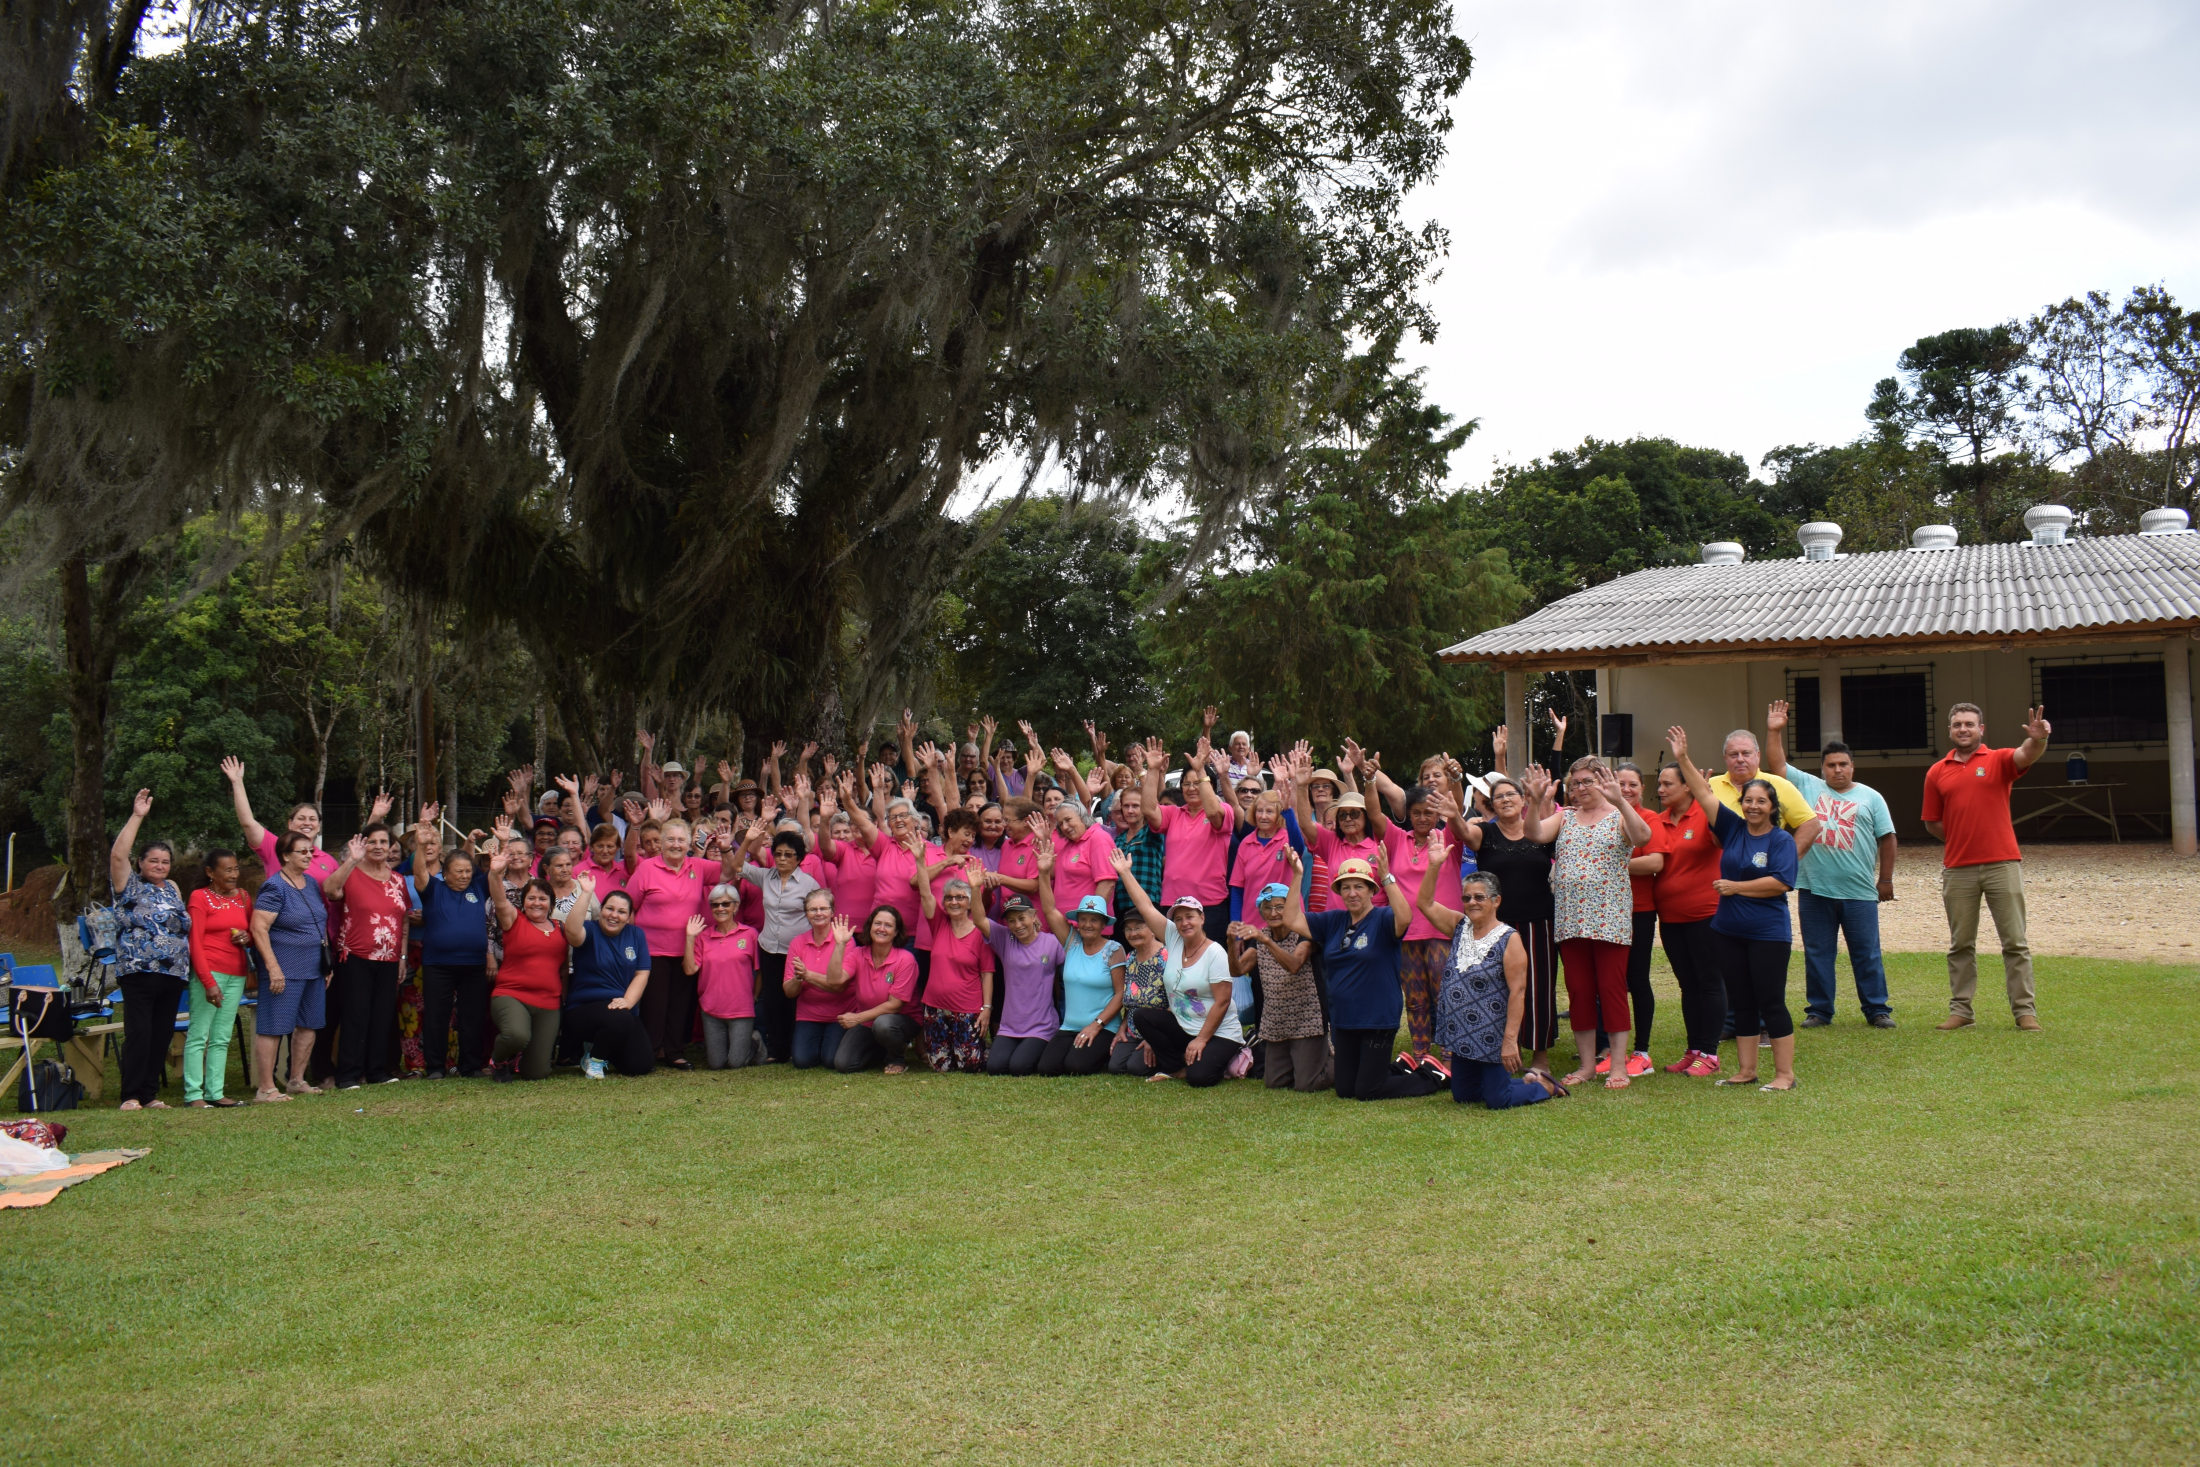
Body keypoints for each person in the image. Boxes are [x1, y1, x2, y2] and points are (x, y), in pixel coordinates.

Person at [1668, 726, 1800, 1092]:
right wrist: (1682, 758)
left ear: (1773, 807)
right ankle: (1746, 1070)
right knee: (1741, 1001)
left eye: (1761, 801)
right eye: (1748, 801)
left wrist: (1736, 887)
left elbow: (1781, 882)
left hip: (1767, 934)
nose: (1753, 806)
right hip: (1728, 932)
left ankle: (1785, 1075)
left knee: (1770, 1002)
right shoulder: (1733, 829)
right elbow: (1702, 792)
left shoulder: (1781, 840)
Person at [1763, 701, 1898, 1029]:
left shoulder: (1871, 797)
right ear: (1822, 768)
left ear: (1853, 766)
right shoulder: (1808, 786)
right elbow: (1778, 765)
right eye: (1831, 765)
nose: (1837, 770)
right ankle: (1819, 1011)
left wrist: (1886, 879)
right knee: (1818, 953)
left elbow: (1888, 838)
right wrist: (1774, 730)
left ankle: (1877, 1009)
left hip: (1860, 891)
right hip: (1814, 888)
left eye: (1843, 764)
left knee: (1866, 953)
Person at [1922, 702, 2050, 1031]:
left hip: (2002, 864)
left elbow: (2026, 754)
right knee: (1960, 944)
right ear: (1949, 730)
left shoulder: (1998, 760)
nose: (1963, 729)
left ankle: (2024, 1011)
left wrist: (2038, 740)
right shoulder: (1937, 771)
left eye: (1969, 724)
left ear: (1982, 729)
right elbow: (1932, 822)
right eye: (1957, 725)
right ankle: (1961, 1010)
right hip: (1958, 868)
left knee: (2015, 942)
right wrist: (1962, 839)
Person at [1273, 849, 1435, 1101]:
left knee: (1367, 1090)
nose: (1352, 893)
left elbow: (1405, 918)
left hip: (1377, 1019)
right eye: (1345, 887)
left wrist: (1387, 876)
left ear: (1372, 890)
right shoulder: (1333, 921)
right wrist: (1297, 875)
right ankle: (1402, 1066)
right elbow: (1291, 919)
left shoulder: (1383, 918)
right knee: (1345, 1089)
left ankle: (1432, 1076)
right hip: (1344, 1019)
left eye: (1359, 886)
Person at [1411, 848, 1567, 1108]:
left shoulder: (1510, 939)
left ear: (1496, 901)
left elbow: (1518, 992)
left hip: (1490, 1037)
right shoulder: (1459, 926)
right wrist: (1434, 866)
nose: (1472, 902)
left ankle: (1545, 1086)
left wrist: (1509, 1042)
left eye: (1480, 897)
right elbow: (1424, 904)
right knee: (1465, 1096)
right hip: (1461, 1033)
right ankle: (1523, 1081)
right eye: (1467, 897)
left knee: (1498, 1100)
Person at [1551, 756, 1652, 1091]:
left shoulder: (1619, 815)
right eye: (1575, 783)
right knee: (1579, 992)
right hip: (1570, 920)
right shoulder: (1564, 818)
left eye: (1587, 781)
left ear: (1602, 781)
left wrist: (1620, 800)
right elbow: (1533, 834)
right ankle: (1586, 1066)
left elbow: (1643, 837)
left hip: (1609, 919)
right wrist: (1537, 798)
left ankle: (1618, 1066)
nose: (1580, 788)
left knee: (1612, 990)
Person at [1457, 767, 1562, 1074]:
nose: (1504, 800)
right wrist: (1453, 811)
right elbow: (1464, 834)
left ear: (1523, 799)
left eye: (1510, 795)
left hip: (1539, 923)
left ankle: (1540, 1057)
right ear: (1492, 803)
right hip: (1498, 928)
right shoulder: (1486, 833)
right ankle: (1505, 1050)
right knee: (1498, 988)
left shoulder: (1542, 831)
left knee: (1539, 988)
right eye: (1498, 796)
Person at [1110, 847, 1243, 1087]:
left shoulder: (1215, 952)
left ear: (1202, 918)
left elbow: (1222, 1002)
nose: (1184, 923)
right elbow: (1146, 907)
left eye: (1190, 916)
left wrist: (1202, 1039)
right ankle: (1176, 1066)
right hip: (1184, 1027)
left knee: (1200, 1078)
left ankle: (1229, 1054)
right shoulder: (1173, 938)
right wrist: (1125, 873)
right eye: (1178, 918)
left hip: (1219, 1031)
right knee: (1143, 1016)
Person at [106, 789, 192, 1111]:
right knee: (139, 1032)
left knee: (160, 1035)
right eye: (153, 860)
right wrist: (138, 816)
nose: (160, 865)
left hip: (172, 974)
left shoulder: (172, 888)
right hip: (139, 972)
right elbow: (117, 855)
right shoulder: (128, 885)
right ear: (139, 863)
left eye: (165, 861)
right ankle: (130, 1095)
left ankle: (149, 1094)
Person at [1648, 761, 1727, 1076]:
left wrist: (1707, 798)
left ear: (1686, 787)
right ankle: (1693, 1049)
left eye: (1667, 784)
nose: (1661, 789)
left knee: (1709, 982)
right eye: (1660, 784)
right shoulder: (1660, 821)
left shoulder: (1705, 816)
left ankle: (1710, 1053)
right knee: (1688, 984)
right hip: (1670, 918)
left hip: (1705, 915)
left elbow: (1724, 838)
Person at [322, 822, 412, 1091]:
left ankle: (377, 1071)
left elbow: (404, 921)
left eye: (384, 842)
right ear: (363, 845)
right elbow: (329, 890)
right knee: (355, 1015)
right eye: (372, 841)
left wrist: (402, 957)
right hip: (356, 956)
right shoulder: (351, 873)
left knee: (382, 1015)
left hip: (389, 959)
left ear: (391, 848)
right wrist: (352, 860)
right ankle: (348, 1074)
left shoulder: (397, 880)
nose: (379, 847)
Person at [621, 809, 710, 1068]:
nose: (676, 844)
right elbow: (629, 906)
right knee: (654, 1005)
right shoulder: (647, 868)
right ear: (660, 843)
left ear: (689, 843)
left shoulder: (699, 866)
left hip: (686, 950)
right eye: (670, 839)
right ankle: (651, 1050)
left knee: (679, 1005)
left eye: (681, 840)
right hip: (652, 950)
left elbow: (729, 872)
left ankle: (674, 1052)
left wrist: (730, 848)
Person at [248, 831, 330, 1101]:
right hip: (284, 968)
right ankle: (265, 1088)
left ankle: (296, 1080)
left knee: (309, 1024)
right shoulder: (275, 887)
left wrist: (326, 963)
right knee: (274, 1026)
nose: (308, 855)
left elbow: (319, 922)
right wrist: (273, 968)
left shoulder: (310, 883)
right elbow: (258, 928)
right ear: (285, 855)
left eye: (310, 851)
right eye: (302, 851)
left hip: (313, 968)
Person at [970, 862, 1067, 1075]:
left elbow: (1066, 976)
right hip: (1010, 1026)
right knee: (995, 1068)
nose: (1017, 925)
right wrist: (975, 889)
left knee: (1019, 1067)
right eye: (1012, 920)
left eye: (1022, 918)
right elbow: (978, 919)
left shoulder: (1051, 942)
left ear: (1034, 917)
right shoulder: (1004, 939)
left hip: (1041, 1026)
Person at [1230, 883, 1327, 1092]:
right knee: (1274, 1082)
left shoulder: (1304, 934)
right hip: (1276, 1020)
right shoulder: (1260, 939)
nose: (1273, 913)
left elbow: (1293, 965)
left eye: (1280, 906)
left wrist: (1265, 940)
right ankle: (1304, 1062)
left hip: (1307, 1018)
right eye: (1267, 907)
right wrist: (1231, 942)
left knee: (1306, 1084)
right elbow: (1238, 970)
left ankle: (1339, 1061)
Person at [742, 824, 827, 1063]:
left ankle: (798, 1046)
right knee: (773, 999)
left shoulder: (809, 883)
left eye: (788, 854)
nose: (781, 858)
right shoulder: (765, 876)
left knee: (795, 998)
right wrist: (747, 842)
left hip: (798, 951)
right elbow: (738, 866)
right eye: (777, 853)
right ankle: (778, 1050)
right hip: (769, 948)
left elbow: (820, 913)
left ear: (799, 858)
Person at [1606, 762, 1670, 1077]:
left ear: (1641, 788)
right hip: (1602, 911)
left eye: (1633, 784)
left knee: (1637, 979)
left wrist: (1610, 864)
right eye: (1622, 783)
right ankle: (1609, 1050)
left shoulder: (1649, 818)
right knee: (1609, 981)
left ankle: (1641, 1052)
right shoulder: (1601, 816)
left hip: (1638, 910)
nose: (1627, 789)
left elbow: (1655, 861)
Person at [1140, 735, 1235, 942]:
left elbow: (1213, 814)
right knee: (1176, 965)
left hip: (1209, 905)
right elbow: (1148, 809)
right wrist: (1153, 770)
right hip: (1174, 906)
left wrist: (1201, 769)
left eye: (1197, 783)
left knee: (1210, 968)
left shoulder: (1223, 810)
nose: (1192, 788)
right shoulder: (1174, 814)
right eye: (1186, 783)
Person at [413, 841, 492, 1079]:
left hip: (474, 965)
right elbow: (418, 871)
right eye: (458, 871)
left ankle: (470, 1066)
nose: (464, 876)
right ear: (445, 873)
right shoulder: (433, 889)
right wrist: (420, 843)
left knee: (472, 1017)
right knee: (437, 1016)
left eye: (468, 871)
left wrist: (505, 844)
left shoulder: (478, 887)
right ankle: (435, 1067)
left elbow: (496, 873)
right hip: (438, 964)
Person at [180, 846, 251, 1108]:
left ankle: (215, 1092)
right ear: (210, 872)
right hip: (209, 971)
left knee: (222, 1035)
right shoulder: (200, 898)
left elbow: (252, 932)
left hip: (237, 973)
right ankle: (193, 1095)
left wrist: (246, 937)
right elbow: (194, 943)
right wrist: (208, 982)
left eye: (236, 868)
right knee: (200, 1033)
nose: (234, 874)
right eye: (228, 870)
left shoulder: (243, 897)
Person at [561, 881, 655, 1076]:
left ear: (629, 917)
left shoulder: (636, 934)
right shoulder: (589, 930)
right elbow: (571, 931)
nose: (614, 915)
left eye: (621, 912)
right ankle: (594, 1060)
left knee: (640, 1065)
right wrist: (586, 893)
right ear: (600, 910)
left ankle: (601, 1045)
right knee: (621, 1020)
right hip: (584, 1007)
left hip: (621, 1008)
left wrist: (628, 1001)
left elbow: (641, 973)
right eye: (609, 909)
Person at [485, 868, 565, 1081]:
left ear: (551, 903)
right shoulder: (514, 920)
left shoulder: (561, 928)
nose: (537, 903)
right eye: (531, 898)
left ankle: (518, 1060)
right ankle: (498, 1061)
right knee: (516, 1035)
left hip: (548, 1003)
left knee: (537, 1073)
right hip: (512, 995)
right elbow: (499, 900)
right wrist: (495, 874)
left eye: (542, 898)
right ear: (523, 902)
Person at [1035, 894, 1127, 1077]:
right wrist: (1044, 872)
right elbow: (1049, 910)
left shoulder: (1114, 950)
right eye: (1083, 919)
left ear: (1103, 924)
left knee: (1076, 1066)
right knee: (1047, 1068)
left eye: (1094, 920)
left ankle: (1105, 1051)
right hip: (1070, 1027)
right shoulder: (1072, 943)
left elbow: (1121, 994)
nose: (1087, 924)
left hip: (1103, 1027)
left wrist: (1096, 1025)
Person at [914, 869, 993, 1072]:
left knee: (970, 1066)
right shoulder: (939, 923)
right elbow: (925, 893)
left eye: (960, 897)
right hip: (935, 1008)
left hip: (967, 1009)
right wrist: (920, 860)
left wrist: (986, 1009)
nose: (954, 902)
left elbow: (987, 974)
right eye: (949, 898)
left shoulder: (980, 932)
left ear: (969, 903)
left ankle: (989, 1050)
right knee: (942, 1067)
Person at [830, 908, 922, 1074]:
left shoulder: (905, 959)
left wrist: (857, 1018)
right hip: (867, 1021)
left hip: (900, 1021)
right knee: (844, 1064)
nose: (881, 928)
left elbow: (894, 1005)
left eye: (888, 925)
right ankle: (885, 1051)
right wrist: (839, 945)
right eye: (877, 923)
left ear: (896, 932)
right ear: (870, 927)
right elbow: (835, 980)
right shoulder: (858, 953)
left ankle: (897, 1059)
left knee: (883, 1024)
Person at [684, 884, 763, 1070]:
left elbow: (760, 971)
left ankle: (756, 1042)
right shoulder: (703, 937)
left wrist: (755, 996)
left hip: (741, 1008)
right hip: (711, 1009)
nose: (720, 909)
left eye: (726, 904)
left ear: (736, 907)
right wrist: (689, 938)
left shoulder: (750, 934)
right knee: (716, 1064)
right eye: (715, 905)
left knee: (736, 1063)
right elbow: (689, 970)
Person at [783, 888, 849, 1069]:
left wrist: (807, 975)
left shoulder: (844, 940)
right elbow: (789, 992)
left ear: (832, 911)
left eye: (823, 908)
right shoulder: (798, 943)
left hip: (840, 1015)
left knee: (830, 1061)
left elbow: (839, 987)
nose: (818, 913)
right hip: (808, 1015)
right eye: (813, 909)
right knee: (802, 1062)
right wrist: (798, 977)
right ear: (806, 914)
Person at [1107, 905, 1172, 1076]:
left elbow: (1176, 1003)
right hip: (1134, 1030)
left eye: (1138, 927)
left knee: (1136, 1068)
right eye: (1128, 929)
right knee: (1115, 1066)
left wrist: (1154, 1040)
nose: (1133, 933)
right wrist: (1122, 1027)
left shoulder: (1168, 956)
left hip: (1161, 1030)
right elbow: (1131, 1001)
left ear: (1152, 928)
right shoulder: (1130, 958)